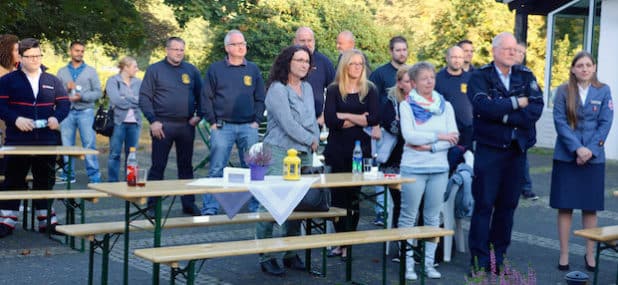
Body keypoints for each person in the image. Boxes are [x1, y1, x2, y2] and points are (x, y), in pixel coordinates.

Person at [467, 32, 544, 273]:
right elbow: (482, 107)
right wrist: (515, 104)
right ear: (494, 51)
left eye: (515, 49)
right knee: (484, 206)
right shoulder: (480, 76)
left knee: (507, 207)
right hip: (489, 151)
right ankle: (479, 263)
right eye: (507, 49)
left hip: (516, 151)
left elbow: (535, 108)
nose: (512, 52)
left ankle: (497, 259)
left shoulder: (526, 75)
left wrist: (502, 114)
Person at [254, 45, 320, 276]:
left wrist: (314, 140)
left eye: (306, 61)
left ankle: (290, 253)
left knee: (296, 205)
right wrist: (310, 139)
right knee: (271, 203)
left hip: (304, 151)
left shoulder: (308, 88)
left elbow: (311, 119)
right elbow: (287, 123)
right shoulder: (276, 89)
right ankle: (266, 255)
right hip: (280, 150)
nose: (303, 64)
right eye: (298, 59)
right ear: (287, 62)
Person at [0, 38, 70, 238]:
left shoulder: (52, 80)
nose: (34, 60)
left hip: (46, 141)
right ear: (20, 58)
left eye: (38, 55)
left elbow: (64, 105)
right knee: (13, 180)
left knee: (45, 180)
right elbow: (1, 107)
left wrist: (57, 118)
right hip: (16, 140)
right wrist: (15, 119)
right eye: (30, 56)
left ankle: (46, 220)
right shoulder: (7, 81)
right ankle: (6, 221)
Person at [551, 51, 613, 272]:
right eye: (580, 65)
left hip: (593, 159)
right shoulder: (562, 91)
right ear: (573, 69)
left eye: (588, 65)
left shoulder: (604, 90)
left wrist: (590, 150)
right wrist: (577, 148)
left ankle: (590, 254)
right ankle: (564, 254)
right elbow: (559, 121)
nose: (584, 68)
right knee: (565, 207)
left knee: (590, 208)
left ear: (594, 67)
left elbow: (606, 122)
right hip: (567, 156)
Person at [398, 62, 458, 280]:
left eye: (432, 77)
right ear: (413, 83)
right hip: (413, 167)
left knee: (433, 216)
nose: (429, 81)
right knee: (409, 216)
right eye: (424, 78)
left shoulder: (446, 106)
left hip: (439, 168)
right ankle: (408, 265)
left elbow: (454, 136)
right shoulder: (406, 106)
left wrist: (431, 145)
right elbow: (410, 136)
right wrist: (439, 136)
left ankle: (428, 263)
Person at [201, 30, 265, 215]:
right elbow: (206, 97)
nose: (241, 47)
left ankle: (255, 207)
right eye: (236, 44)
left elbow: (260, 97)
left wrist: (256, 121)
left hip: (248, 127)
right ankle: (210, 208)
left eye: (243, 43)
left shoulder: (253, 69)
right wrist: (212, 122)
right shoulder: (215, 69)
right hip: (222, 127)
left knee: (254, 170)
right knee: (216, 168)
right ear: (227, 48)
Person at [324, 49, 379, 259]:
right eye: (353, 64)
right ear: (345, 66)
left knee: (353, 198)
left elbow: (373, 119)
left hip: (360, 152)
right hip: (337, 151)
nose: (357, 67)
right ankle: (340, 241)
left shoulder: (370, 90)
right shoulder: (334, 89)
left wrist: (344, 116)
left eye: (360, 64)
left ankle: (348, 243)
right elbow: (331, 121)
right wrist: (357, 117)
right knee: (338, 199)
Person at [139, 37, 203, 216]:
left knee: (186, 166)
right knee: (158, 166)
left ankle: (188, 204)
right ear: (167, 50)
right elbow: (144, 97)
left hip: (186, 125)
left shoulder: (191, 70)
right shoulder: (155, 70)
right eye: (175, 49)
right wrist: (152, 120)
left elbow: (202, 94)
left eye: (182, 49)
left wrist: (200, 115)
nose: (179, 53)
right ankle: (152, 205)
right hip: (162, 125)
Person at [369, 36, 408, 226]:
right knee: (382, 172)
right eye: (398, 50)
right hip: (385, 131)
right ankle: (381, 212)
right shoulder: (379, 74)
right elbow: (371, 101)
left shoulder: (412, 72)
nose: (402, 53)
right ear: (391, 51)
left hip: (406, 144)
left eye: (404, 49)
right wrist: (375, 125)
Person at [56, 41, 102, 183]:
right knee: (66, 145)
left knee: (89, 144)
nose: (80, 53)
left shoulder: (91, 71)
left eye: (82, 51)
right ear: (70, 51)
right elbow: (57, 93)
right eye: (77, 50)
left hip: (86, 111)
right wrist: (67, 93)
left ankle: (94, 177)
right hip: (67, 112)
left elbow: (98, 93)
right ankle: (68, 175)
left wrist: (82, 96)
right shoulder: (62, 72)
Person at [381, 67, 411, 261]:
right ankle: (402, 247)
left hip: (416, 161)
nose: (411, 84)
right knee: (401, 203)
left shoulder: (423, 100)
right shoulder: (390, 102)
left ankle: (418, 248)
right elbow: (393, 127)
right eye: (407, 81)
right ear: (399, 83)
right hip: (394, 162)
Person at [106, 56, 142, 182]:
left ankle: (131, 180)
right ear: (126, 67)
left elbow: (142, 100)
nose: (137, 69)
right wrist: (133, 99)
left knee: (132, 155)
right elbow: (116, 100)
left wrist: (124, 97)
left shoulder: (139, 82)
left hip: (135, 123)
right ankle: (113, 182)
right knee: (115, 154)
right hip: (118, 123)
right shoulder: (113, 81)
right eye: (134, 67)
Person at [293, 26, 335, 126]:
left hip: (316, 121)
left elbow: (335, 92)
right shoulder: (286, 61)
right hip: (291, 120)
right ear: (295, 42)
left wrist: (324, 116)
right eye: (303, 41)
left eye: (309, 40)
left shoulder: (324, 62)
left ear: (314, 41)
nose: (307, 44)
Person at [435, 46, 473, 150]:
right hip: (446, 131)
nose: (457, 60)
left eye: (460, 57)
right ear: (447, 58)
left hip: (468, 130)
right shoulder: (437, 79)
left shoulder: (471, 78)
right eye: (454, 57)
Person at [514, 41, 538, 200]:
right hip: (504, 126)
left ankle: (526, 187)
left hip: (523, 125)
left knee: (522, 157)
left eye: (523, 53)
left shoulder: (527, 74)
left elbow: (534, 101)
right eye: (518, 51)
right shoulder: (495, 74)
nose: (520, 55)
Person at [0, 34, 20, 174]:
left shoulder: (17, 71)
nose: (20, 54)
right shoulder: (3, 74)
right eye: (16, 50)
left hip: (15, 129)